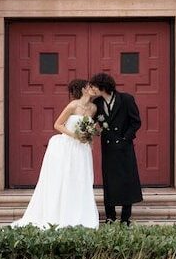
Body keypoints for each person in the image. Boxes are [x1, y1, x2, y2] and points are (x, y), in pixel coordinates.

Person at [10, 79, 100, 228]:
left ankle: (80, 214)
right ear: (83, 90)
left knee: (81, 179)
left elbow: (91, 127)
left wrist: (90, 138)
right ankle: (61, 213)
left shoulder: (93, 108)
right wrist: (74, 135)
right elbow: (57, 124)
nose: (91, 89)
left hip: (83, 150)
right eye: (89, 86)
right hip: (69, 146)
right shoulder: (72, 105)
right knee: (66, 178)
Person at [90, 72, 142, 224]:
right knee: (109, 181)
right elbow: (91, 121)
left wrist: (125, 139)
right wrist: (91, 131)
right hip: (108, 148)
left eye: (94, 86)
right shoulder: (98, 103)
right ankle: (110, 216)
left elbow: (136, 122)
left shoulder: (126, 99)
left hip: (125, 147)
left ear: (102, 86)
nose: (92, 89)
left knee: (127, 180)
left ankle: (126, 218)